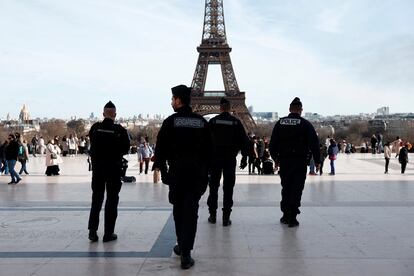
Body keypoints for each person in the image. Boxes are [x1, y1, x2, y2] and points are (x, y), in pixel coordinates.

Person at [153, 85, 213, 269]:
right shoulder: (202, 122)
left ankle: (182, 245)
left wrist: (163, 172)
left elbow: (160, 150)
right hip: (196, 174)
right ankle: (186, 252)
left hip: (177, 173)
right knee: (191, 212)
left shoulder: (170, 122)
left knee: (178, 211)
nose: (171, 102)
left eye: (172, 99)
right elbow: (210, 151)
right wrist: (206, 174)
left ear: (179, 100)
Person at [269, 97, 320, 227]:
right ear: (301, 110)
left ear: (289, 109)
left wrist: (276, 159)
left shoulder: (280, 123)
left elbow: (273, 144)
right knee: (297, 189)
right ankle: (292, 216)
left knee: (286, 188)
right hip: (300, 161)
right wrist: (317, 161)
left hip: (285, 161)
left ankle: (285, 214)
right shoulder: (305, 124)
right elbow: (314, 144)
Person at [87, 101, 130, 243]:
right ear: (115, 115)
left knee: (96, 200)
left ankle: (92, 231)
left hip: (98, 170)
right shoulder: (120, 130)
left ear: (103, 113)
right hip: (113, 169)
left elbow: (92, 143)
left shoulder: (95, 128)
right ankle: (108, 233)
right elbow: (125, 149)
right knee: (112, 201)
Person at [207, 97, 249, 226]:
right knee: (228, 188)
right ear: (230, 107)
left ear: (220, 107)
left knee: (213, 187)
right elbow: (244, 141)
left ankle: (213, 215)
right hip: (230, 158)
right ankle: (226, 217)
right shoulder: (235, 122)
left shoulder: (213, 121)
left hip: (215, 159)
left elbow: (206, 141)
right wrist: (244, 157)